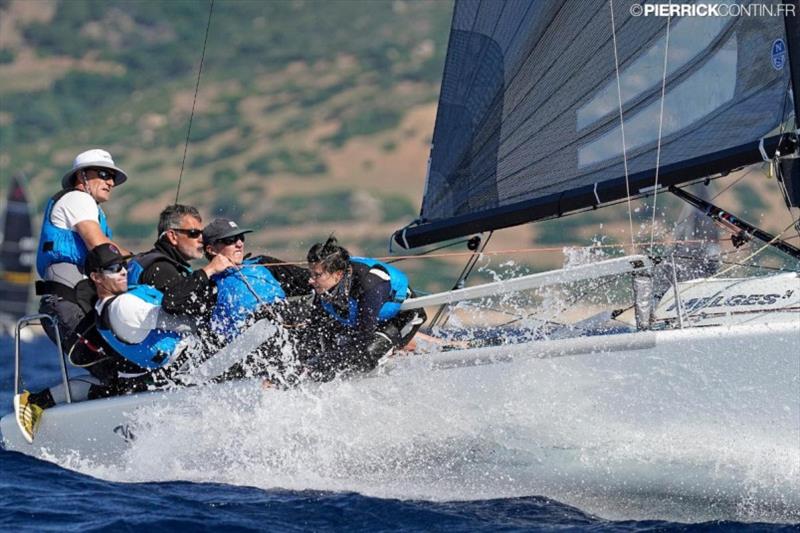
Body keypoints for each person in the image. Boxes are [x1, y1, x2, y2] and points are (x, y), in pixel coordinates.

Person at [15, 243, 196, 443]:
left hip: (148, 370)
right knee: (111, 386)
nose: (123, 271)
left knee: (108, 386)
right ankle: (37, 401)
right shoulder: (121, 306)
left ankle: (40, 400)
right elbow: (185, 323)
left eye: (123, 266)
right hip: (152, 374)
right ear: (96, 277)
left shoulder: (124, 299)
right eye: (113, 268)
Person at [35, 149, 130, 355]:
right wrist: (140, 265)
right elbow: (99, 245)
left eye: (112, 177)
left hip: (72, 300)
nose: (111, 182)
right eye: (104, 175)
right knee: (111, 361)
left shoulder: (89, 207)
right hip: (69, 301)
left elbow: (108, 246)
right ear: (82, 175)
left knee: (113, 364)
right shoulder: (78, 199)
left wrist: (140, 259)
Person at [303, 236, 426, 380]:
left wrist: (324, 362)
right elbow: (314, 330)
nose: (310, 280)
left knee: (364, 356)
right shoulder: (325, 289)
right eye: (311, 274)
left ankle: (402, 348)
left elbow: (363, 339)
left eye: (317, 275)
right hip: (366, 323)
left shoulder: (369, 284)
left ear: (338, 275)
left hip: (402, 318)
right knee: (316, 349)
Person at [127, 204, 233, 321]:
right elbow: (173, 301)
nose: (201, 239)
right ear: (173, 236)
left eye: (201, 234)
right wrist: (209, 270)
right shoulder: (160, 268)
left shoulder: (150, 259)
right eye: (193, 233)